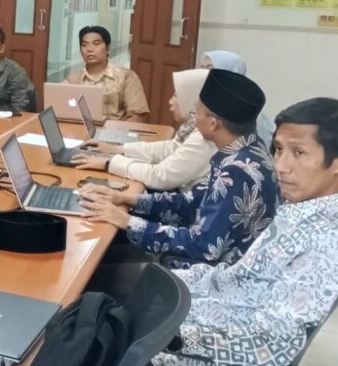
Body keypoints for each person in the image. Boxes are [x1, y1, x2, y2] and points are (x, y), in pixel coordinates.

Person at [137, 98, 338, 366]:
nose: (281, 166)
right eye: (278, 149)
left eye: (298, 153)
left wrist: (175, 338)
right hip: (208, 329)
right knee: (100, 318)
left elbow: (276, 340)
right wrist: (164, 284)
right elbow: (238, 280)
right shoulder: (302, 212)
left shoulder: (332, 243)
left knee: (83, 364)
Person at [80, 69, 279, 268]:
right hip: (202, 252)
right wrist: (127, 199)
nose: (193, 118)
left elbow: (202, 246)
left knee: (100, 265)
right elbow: (192, 203)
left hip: (211, 274)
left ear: (213, 124)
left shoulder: (236, 171)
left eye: (196, 111)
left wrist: (127, 221)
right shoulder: (248, 149)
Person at [71, 68, 216, 192]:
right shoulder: (192, 127)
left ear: (193, 100)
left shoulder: (203, 137)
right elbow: (171, 148)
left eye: (176, 95)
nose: (170, 101)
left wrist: (109, 163)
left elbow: (160, 176)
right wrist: (117, 149)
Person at [65, 25, 148, 121]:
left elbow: (137, 116)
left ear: (108, 48)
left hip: (115, 128)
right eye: (84, 45)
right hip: (81, 128)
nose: (89, 49)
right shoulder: (73, 79)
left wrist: (118, 130)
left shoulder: (126, 77)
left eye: (96, 44)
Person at [200, 49, 275, 149]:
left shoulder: (249, 111)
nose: (203, 74)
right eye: (202, 68)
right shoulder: (208, 103)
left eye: (209, 69)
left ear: (230, 72)